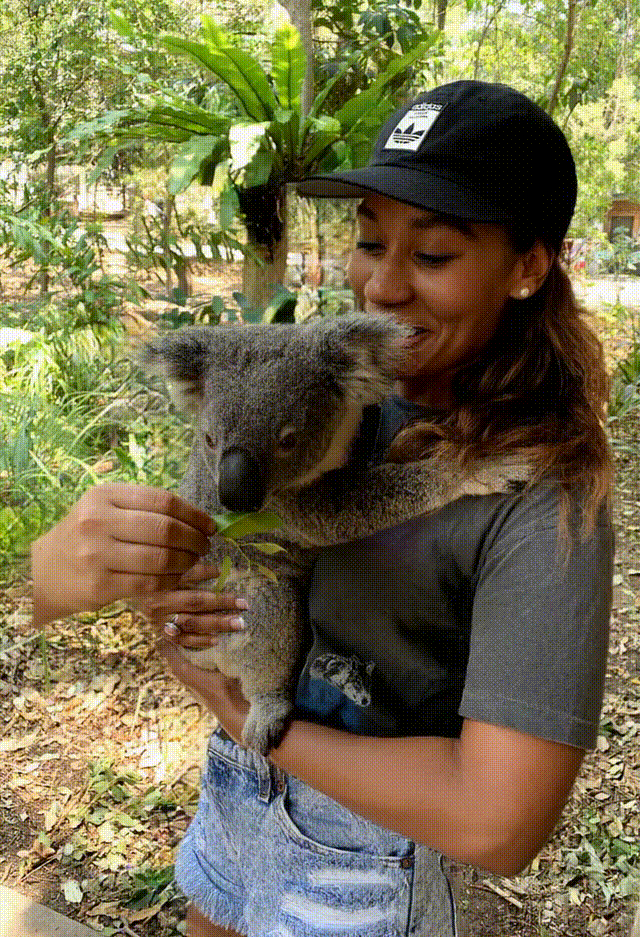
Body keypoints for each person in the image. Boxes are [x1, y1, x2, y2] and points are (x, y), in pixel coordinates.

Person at [31, 81, 614, 937]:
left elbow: (498, 823)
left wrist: (249, 718)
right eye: (368, 239)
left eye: (435, 254)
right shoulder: (343, 383)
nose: (381, 283)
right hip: (236, 790)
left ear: (529, 265)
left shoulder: (536, 493)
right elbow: (249, 495)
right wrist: (151, 573)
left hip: (363, 851)